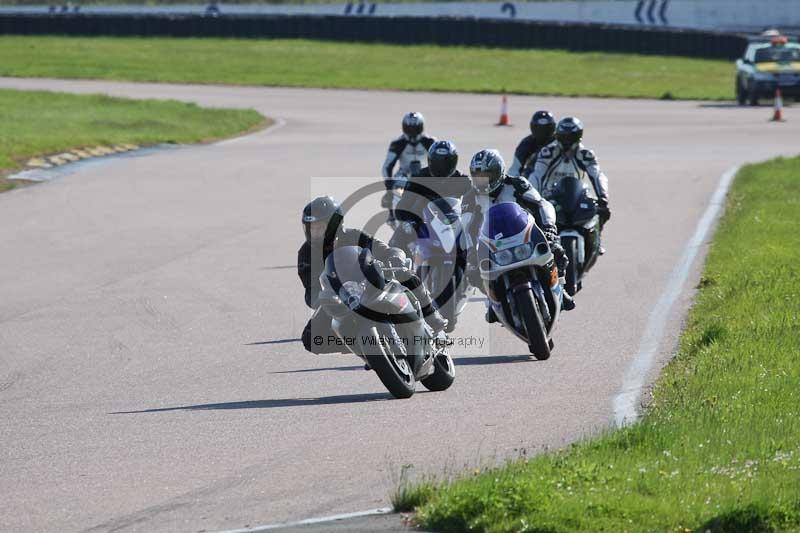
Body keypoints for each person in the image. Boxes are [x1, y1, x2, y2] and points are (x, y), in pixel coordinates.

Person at [298, 196, 448, 353]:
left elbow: (384, 249)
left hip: (371, 281)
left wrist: (394, 258)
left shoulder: (353, 235)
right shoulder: (305, 255)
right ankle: (362, 345)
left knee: (405, 273)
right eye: (312, 228)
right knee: (311, 338)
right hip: (340, 297)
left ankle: (433, 318)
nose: (315, 232)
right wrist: (324, 297)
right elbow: (311, 291)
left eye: (320, 227)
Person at [464, 149, 575, 318]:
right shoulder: (470, 197)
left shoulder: (517, 184)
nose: (483, 180)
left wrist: (549, 227)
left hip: (525, 235)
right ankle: (494, 301)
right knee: (472, 272)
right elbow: (465, 227)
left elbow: (541, 204)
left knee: (557, 251)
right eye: (478, 176)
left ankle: (561, 287)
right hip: (492, 244)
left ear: (500, 171)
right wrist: (469, 251)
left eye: (488, 174)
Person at [528, 117, 611, 251]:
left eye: (570, 137)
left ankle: (597, 239)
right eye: (563, 137)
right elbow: (536, 175)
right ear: (558, 136)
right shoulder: (547, 152)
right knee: (535, 217)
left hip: (577, 195)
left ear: (578, 136)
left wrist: (603, 196)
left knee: (602, 211)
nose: (567, 142)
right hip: (551, 196)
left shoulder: (586, 154)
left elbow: (597, 175)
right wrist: (532, 197)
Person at [390, 140, 472, 253]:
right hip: (424, 224)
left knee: (476, 238)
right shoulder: (419, 177)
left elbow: (476, 201)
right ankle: (395, 263)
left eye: (446, 163)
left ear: (454, 162)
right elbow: (403, 206)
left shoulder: (463, 180)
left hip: (453, 225)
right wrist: (412, 221)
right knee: (399, 236)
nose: (441, 168)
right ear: (430, 161)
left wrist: (472, 217)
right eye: (437, 163)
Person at [380, 112, 436, 222]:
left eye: (415, 129)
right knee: (394, 192)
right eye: (409, 129)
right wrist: (389, 184)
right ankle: (393, 214)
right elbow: (387, 166)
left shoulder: (430, 142)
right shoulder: (398, 143)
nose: (412, 133)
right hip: (404, 175)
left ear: (421, 127)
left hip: (425, 175)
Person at [507, 110, 557, 178]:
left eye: (546, 129)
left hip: (555, 180)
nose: (542, 132)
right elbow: (515, 168)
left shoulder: (558, 143)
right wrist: (512, 181)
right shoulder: (526, 143)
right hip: (532, 180)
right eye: (539, 129)